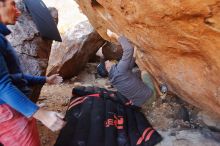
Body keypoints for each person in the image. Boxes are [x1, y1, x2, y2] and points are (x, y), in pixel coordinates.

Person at [0, 0, 65, 145]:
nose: (18, 11)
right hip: (8, 111)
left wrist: (45, 80)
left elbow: (12, 77)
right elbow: (2, 86)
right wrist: (41, 115)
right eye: (12, 4)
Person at [97, 29, 157, 107]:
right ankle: (160, 93)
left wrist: (134, 54)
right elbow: (128, 48)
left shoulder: (113, 79)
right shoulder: (120, 69)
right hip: (150, 97)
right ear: (107, 67)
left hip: (141, 104)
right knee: (143, 72)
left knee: (134, 74)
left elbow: (128, 68)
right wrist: (114, 35)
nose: (108, 60)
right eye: (106, 62)